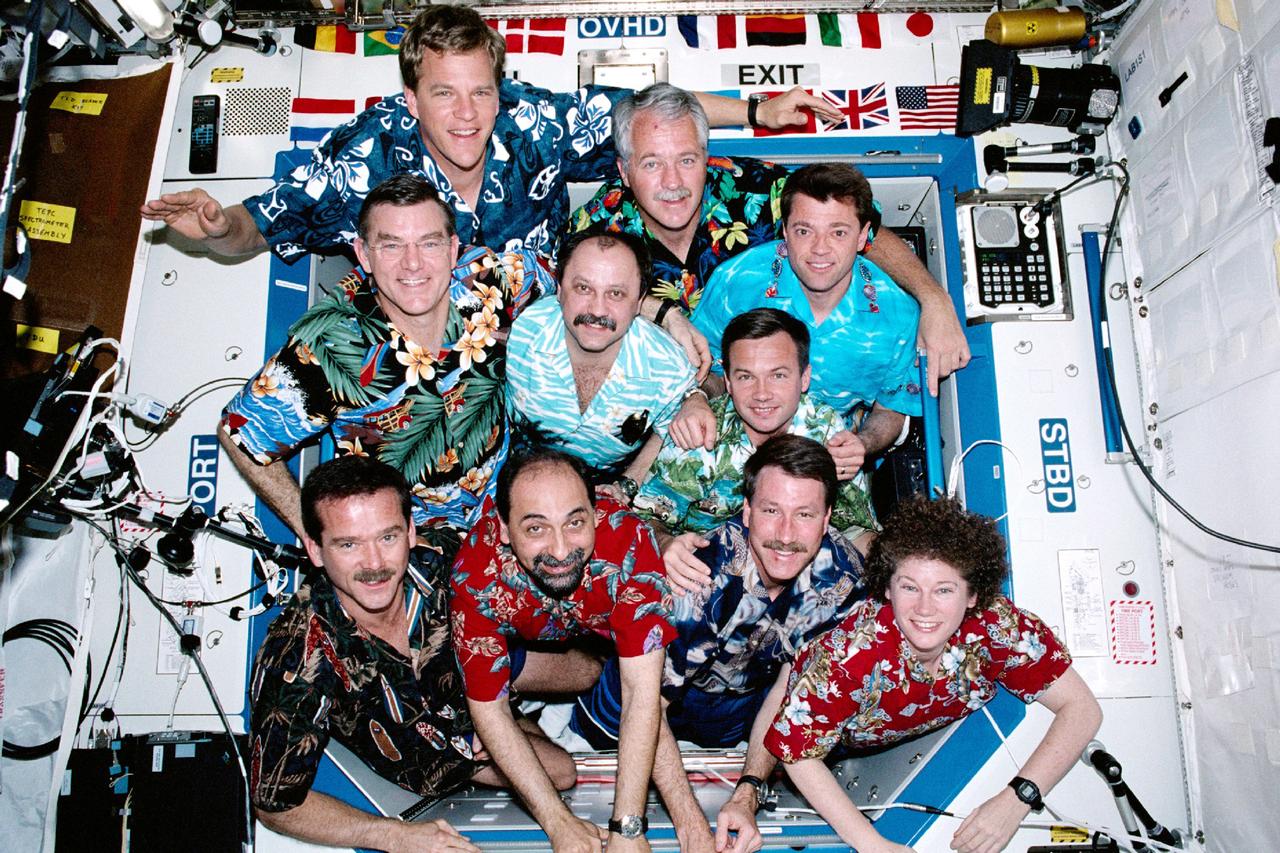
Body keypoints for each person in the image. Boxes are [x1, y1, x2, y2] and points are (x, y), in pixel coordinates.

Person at [140, 6, 842, 263]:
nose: (469, 113)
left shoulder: (530, 122)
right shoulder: (365, 158)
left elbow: (641, 110)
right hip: (435, 366)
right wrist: (212, 226)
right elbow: (257, 227)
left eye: (482, 90)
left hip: (542, 343)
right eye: (445, 94)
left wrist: (753, 109)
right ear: (411, 98)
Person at [250, 455, 576, 852]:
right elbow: (274, 805)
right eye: (349, 544)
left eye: (387, 537)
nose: (374, 564)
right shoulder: (297, 654)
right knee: (562, 771)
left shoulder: (446, 558)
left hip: (489, 679)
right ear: (315, 550)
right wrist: (390, 834)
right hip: (440, 754)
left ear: (409, 532)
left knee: (585, 669)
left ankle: (554, 715)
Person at [219, 175, 552, 550]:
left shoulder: (491, 279)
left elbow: (576, 297)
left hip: (513, 499)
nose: (413, 264)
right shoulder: (328, 344)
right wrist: (315, 533)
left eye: (429, 243)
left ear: (453, 248)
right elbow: (240, 436)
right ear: (363, 254)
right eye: (391, 245)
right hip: (412, 540)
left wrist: (524, 338)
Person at [570, 83, 968, 396]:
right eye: (652, 163)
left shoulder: (761, 190)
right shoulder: (597, 227)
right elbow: (561, 294)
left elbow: (864, 230)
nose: (672, 183)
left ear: (706, 157)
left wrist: (933, 298)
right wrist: (660, 311)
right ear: (624, 171)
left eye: (687, 160)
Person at [761, 496, 1103, 853]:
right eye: (910, 587)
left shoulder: (996, 627)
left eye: (943, 590)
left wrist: (1017, 799)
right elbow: (797, 753)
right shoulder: (850, 657)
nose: (924, 608)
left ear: (972, 595)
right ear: (888, 589)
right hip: (822, 725)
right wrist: (872, 844)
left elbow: (1081, 709)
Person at [450, 449, 713, 852]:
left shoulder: (628, 543)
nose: (559, 550)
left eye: (575, 523)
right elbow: (490, 710)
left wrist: (630, 828)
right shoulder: (476, 576)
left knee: (596, 674)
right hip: (524, 638)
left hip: (593, 632)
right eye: (536, 529)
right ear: (503, 529)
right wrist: (558, 823)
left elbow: (641, 695)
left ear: (595, 514)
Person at [569, 435, 866, 759]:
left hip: (735, 697)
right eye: (771, 510)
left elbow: (803, 692)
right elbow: (646, 705)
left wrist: (749, 786)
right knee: (600, 739)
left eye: (804, 515)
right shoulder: (700, 580)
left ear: (826, 520)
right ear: (748, 512)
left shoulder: (844, 579)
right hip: (650, 687)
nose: (785, 535)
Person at [683, 163, 921, 474]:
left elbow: (892, 408)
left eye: (838, 232)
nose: (820, 249)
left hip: (826, 461)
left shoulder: (898, 317)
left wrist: (861, 443)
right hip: (726, 446)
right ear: (784, 231)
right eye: (804, 231)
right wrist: (697, 398)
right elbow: (702, 366)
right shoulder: (737, 282)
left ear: (863, 236)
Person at [633, 309, 878, 584]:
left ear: (805, 377)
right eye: (746, 377)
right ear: (727, 381)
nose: (762, 394)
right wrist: (666, 544)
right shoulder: (699, 435)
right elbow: (644, 519)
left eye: (778, 376)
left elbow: (858, 531)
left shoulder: (827, 432)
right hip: (705, 578)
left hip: (799, 575)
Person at [505, 231, 695, 489]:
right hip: (518, 478)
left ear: (640, 302)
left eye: (615, 294)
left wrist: (626, 486)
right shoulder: (522, 330)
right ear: (559, 290)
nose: (597, 310)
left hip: (607, 494)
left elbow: (668, 431)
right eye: (584, 288)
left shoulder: (667, 367)